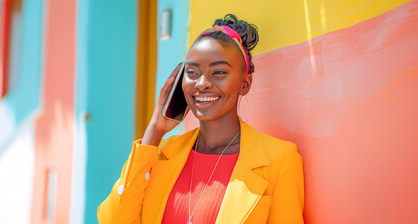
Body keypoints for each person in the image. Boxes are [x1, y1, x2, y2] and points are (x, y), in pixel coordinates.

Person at [97, 14, 304, 224]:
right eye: (192, 72)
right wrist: (154, 131)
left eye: (219, 72)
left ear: (245, 84)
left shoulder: (279, 160)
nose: (202, 83)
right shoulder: (159, 154)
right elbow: (113, 220)